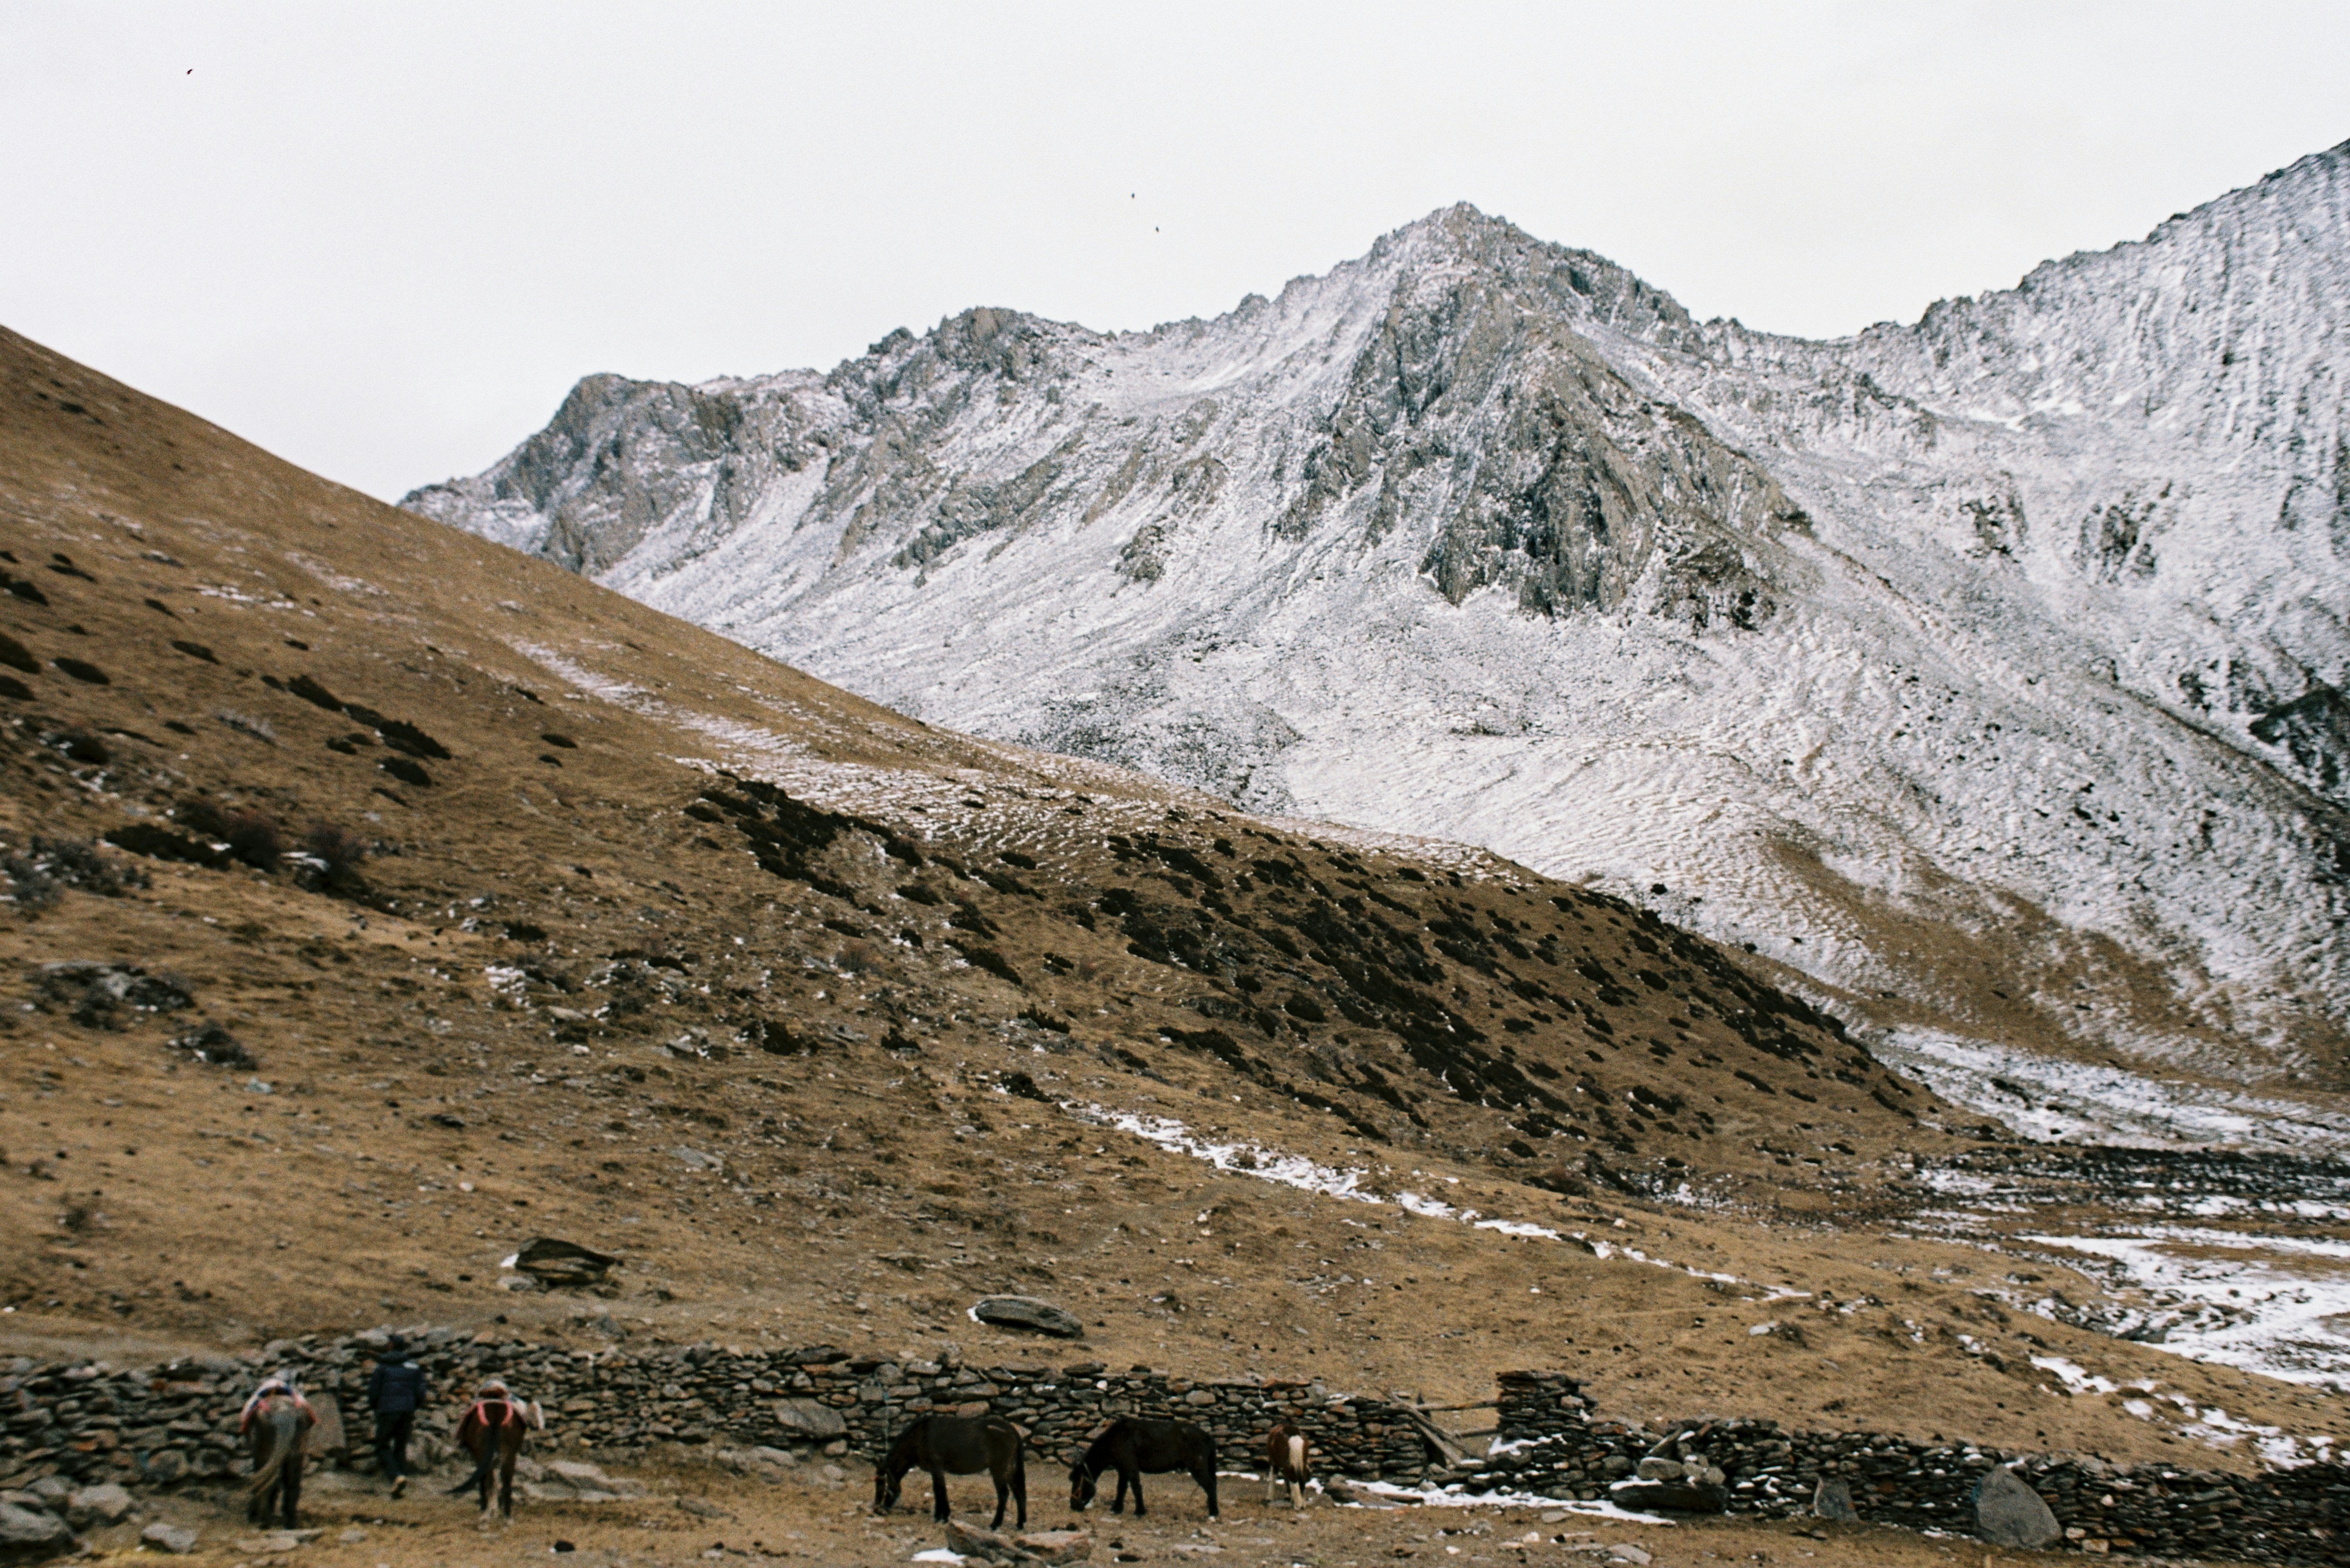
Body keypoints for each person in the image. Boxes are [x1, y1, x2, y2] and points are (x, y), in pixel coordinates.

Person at [364, 1335, 428, 1496]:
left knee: (382, 1445)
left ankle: (396, 1476)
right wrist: (413, 1406)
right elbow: (421, 1391)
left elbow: (374, 1391)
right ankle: (402, 1477)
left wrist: (375, 1407)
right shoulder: (414, 1367)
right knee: (401, 1446)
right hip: (407, 1410)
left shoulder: (382, 1367)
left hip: (388, 1410)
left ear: (391, 1346)